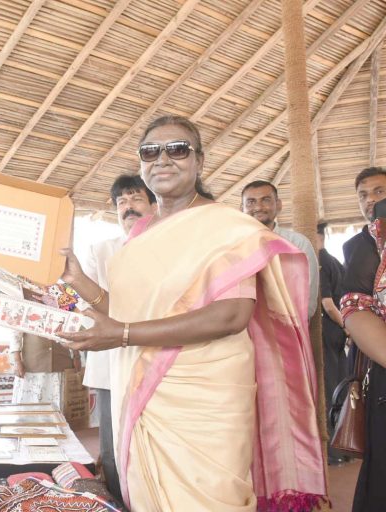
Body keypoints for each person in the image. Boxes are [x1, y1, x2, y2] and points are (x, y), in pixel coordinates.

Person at [59, 115, 326, 511]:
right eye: (151, 152)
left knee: (213, 497)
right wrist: (79, 280)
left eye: (178, 149)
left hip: (208, 392)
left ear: (199, 161)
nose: (163, 159)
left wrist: (122, 334)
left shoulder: (226, 227)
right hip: (145, 387)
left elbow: (231, 316)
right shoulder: (141, 233)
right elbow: (130, 312)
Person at [80, 173, 155, 500]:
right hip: (110, 363)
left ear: (154, 204)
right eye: (121, 202)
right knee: (112, 446)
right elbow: (81, 304)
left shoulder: (171, 246)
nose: (128, 207)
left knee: (152, 444)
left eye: (136, 198)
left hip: (158, 359)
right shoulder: (99, 251)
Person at [338, 167, 386, 511]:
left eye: (379, 191)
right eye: (363, 195)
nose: (371, 200)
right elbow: (353, 307)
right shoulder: (358, 246)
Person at [241, 180, 319, 318]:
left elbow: (308, 297)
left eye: (265, 200)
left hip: (289, 325)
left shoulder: (298, 243)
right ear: (242, 208)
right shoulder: (234, 246)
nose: (258, 207)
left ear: (278, 205)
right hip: (242, 326)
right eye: (251, 202)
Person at [316, 221, 348, 464]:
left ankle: (332, 451)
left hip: (327, 329)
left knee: (328, 389)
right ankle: (344, 447)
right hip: (338, 333)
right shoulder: (335, 262)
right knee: (340, 386)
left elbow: (327, 304)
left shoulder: (320, 262)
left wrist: (345, 325)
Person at [9, 331, 81, 411]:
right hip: (32, 368)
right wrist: (17, 360)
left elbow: (72, 330)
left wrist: (76, 355)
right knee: (30, 410)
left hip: (61, 365)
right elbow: (15, 334)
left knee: (60, 410)